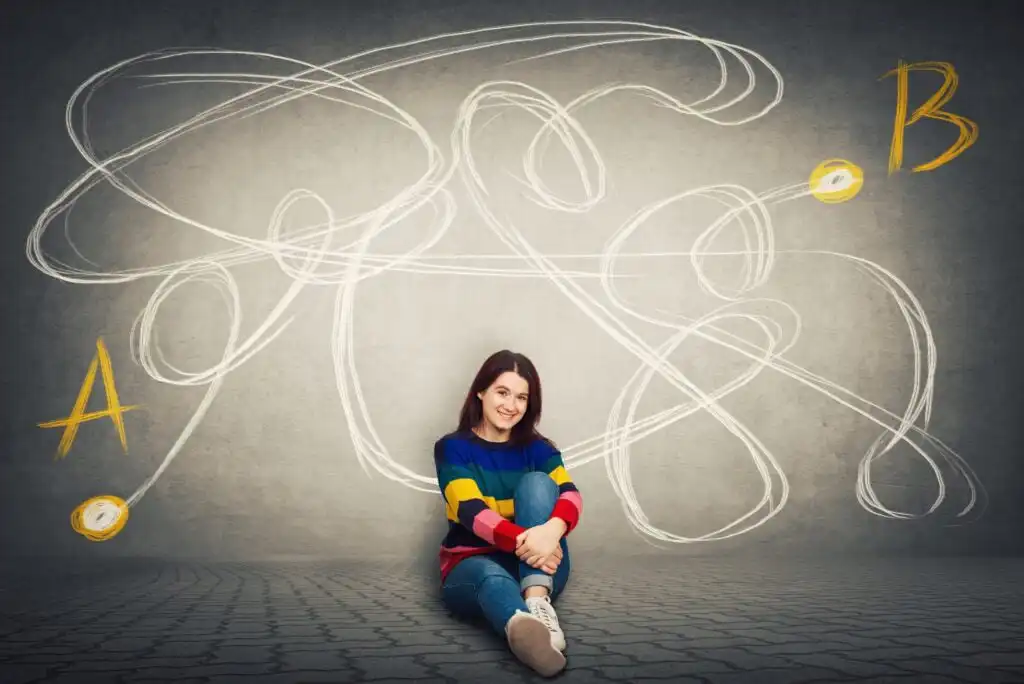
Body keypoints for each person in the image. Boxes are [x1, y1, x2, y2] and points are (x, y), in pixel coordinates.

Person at [434, 350, 583, 677]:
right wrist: (532, 543)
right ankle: (522, 629)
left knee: (538, 483)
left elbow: (571, 495)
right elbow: (470, 511)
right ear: (481, 391)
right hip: (472, 562)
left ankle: (537, 601)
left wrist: (552, 533)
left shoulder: (539, 448)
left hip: (541, 566)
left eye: (521, 397)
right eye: (502, 392)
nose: (511, 405)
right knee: (490, 578)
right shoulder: (453, 447)